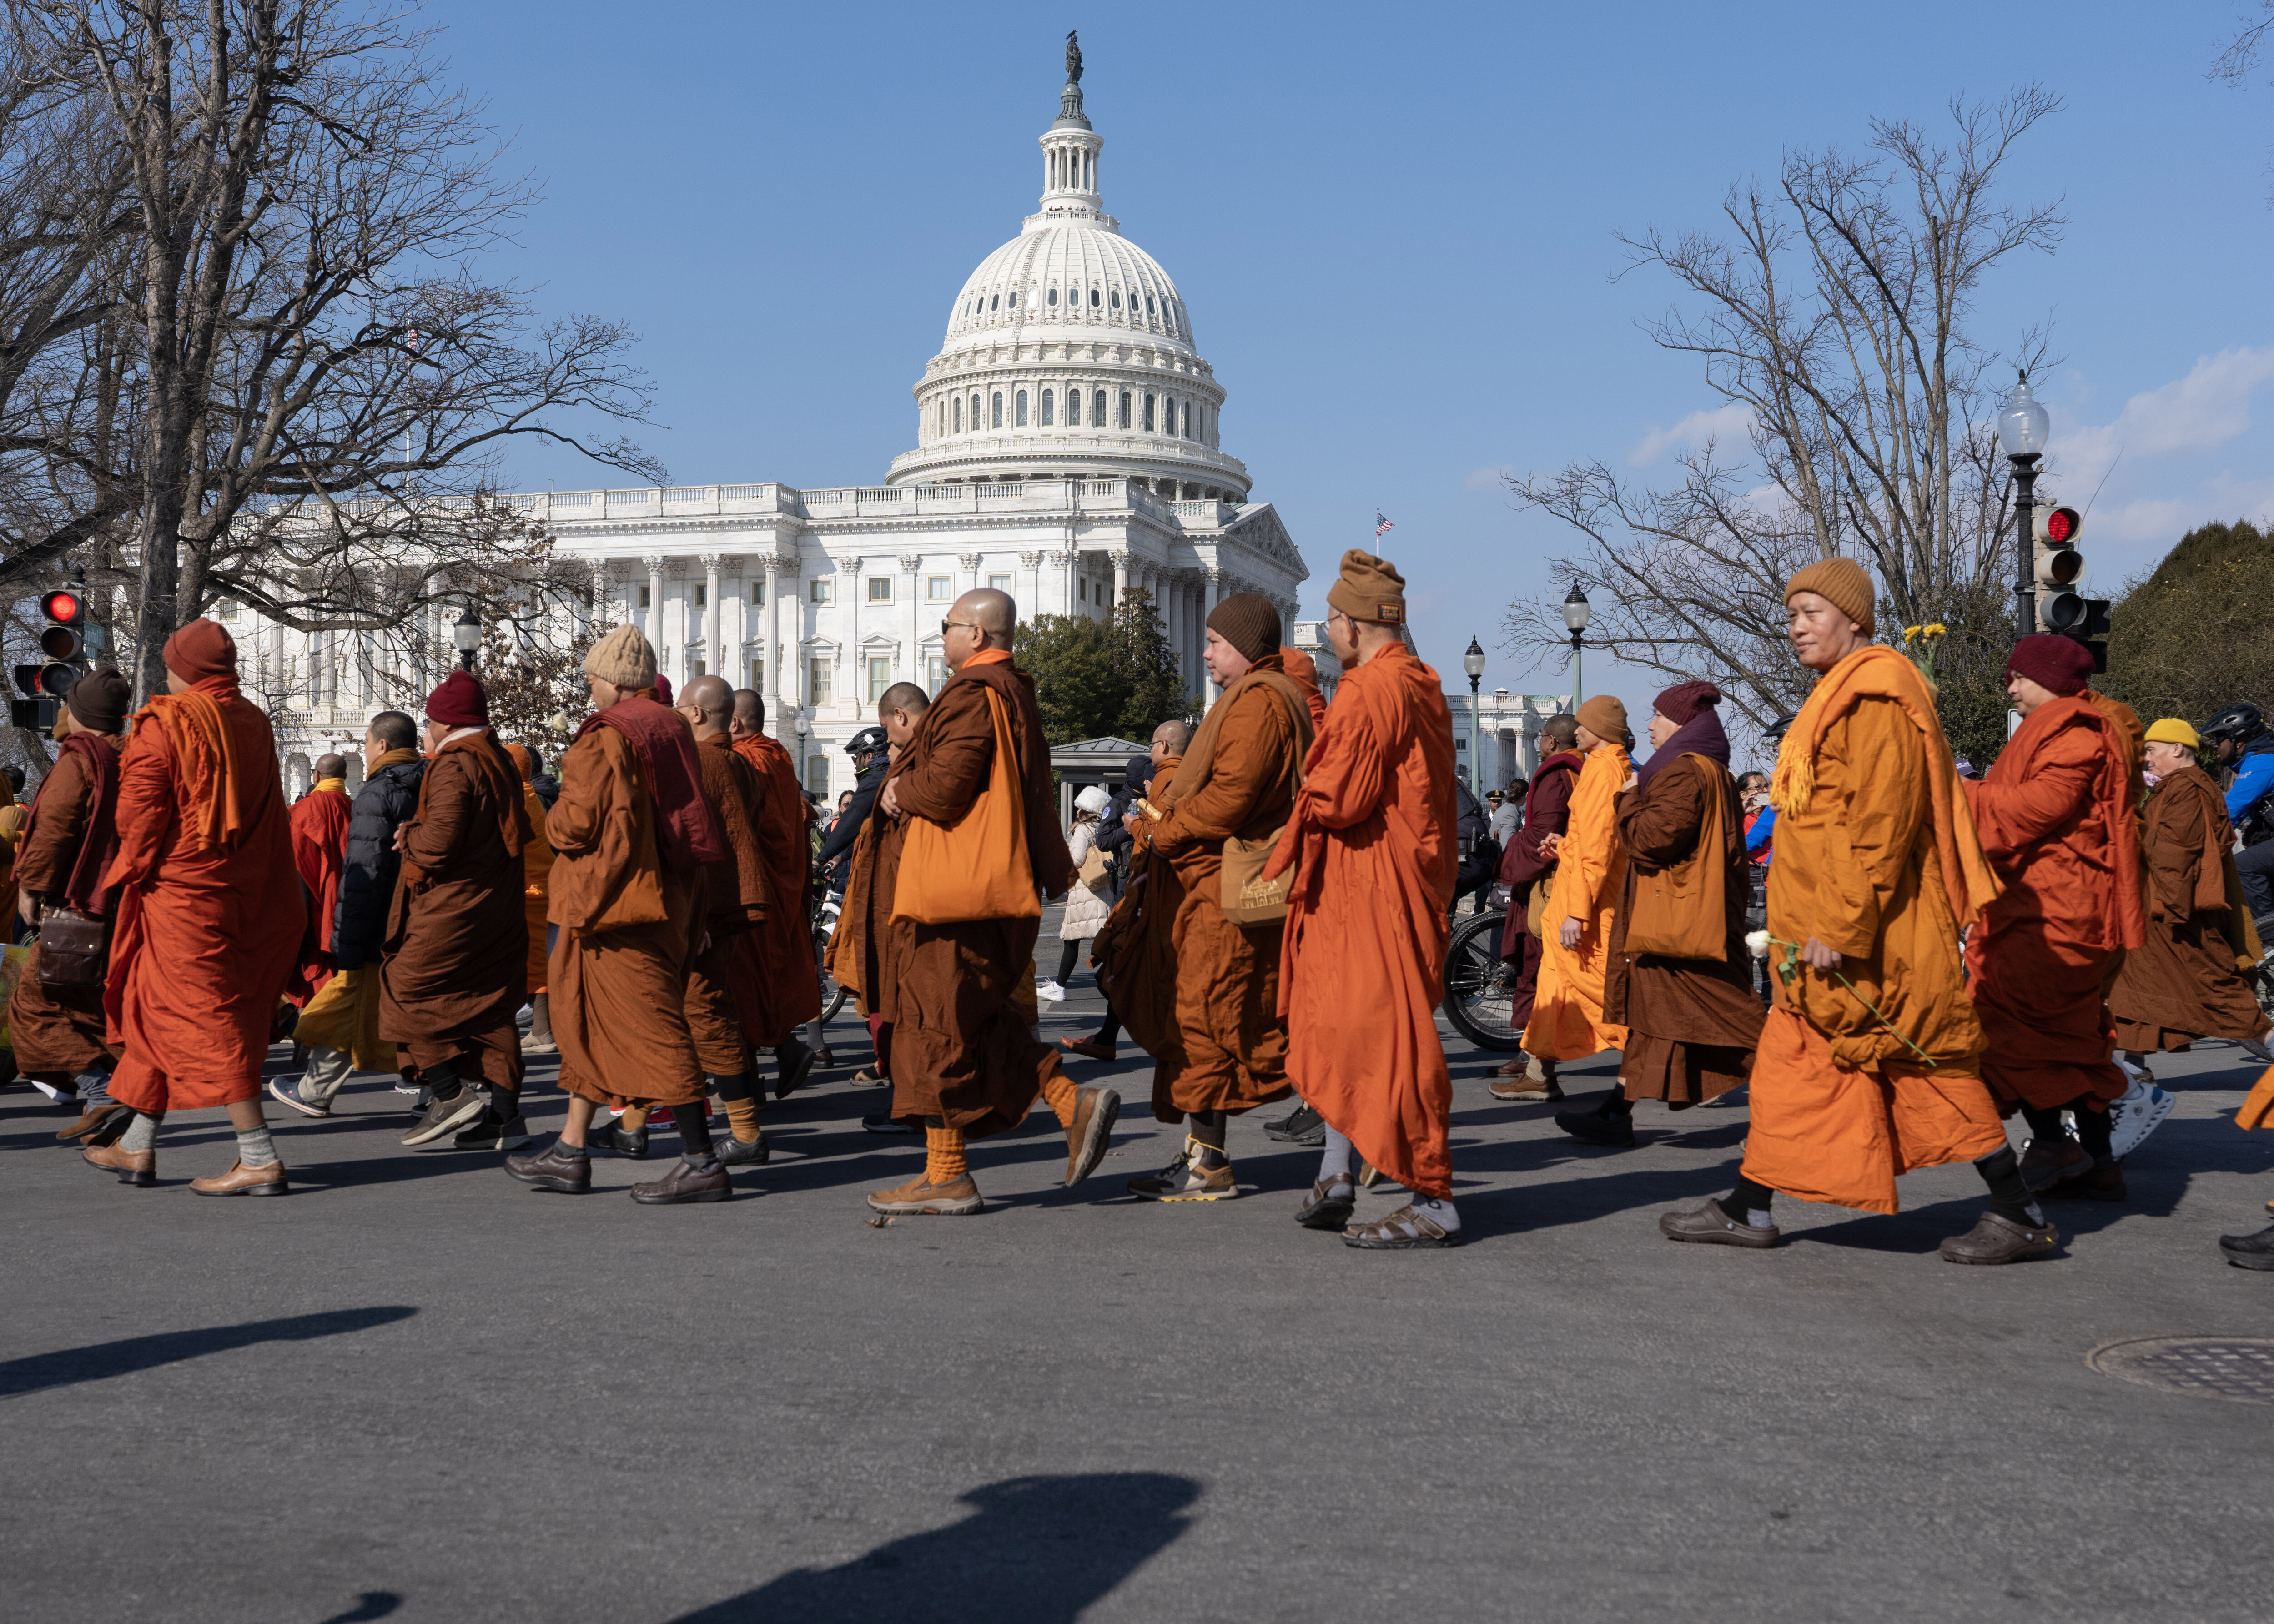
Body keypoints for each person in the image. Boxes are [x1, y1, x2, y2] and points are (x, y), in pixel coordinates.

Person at [1659, 558, 2046, 1262]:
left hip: (1868, 934)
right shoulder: (1842, 691)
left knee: (1925, 1065)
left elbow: (1879, 824)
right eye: (1791, 615)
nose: (1796, 627)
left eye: (1811, 612)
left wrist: (1838, 926)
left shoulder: (1874, 696)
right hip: (1825, 929)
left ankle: (2017, 1209)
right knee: (1797, 1070)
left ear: (1855, 619)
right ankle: (1750, 1204)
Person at [861, 588, 1121, 1217]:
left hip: (953, 899)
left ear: (976, 634)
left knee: (935, 1025)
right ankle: (1037, 1119)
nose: (942, 634)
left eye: (947, 625)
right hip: (985, 891)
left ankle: (954, 1170)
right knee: (970, 1023)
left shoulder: (976, 694)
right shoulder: (1010, 694)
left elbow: (948, 784)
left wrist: (899, 789)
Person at [1265, 549, 1459, 1247]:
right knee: (1351, 1029)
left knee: (1385, 1036)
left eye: (1329, 622)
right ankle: (1337, 1168)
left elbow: (1343, 795)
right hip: (1382, 878)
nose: (1327, 633)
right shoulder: (1420, 681)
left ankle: (1433, 1196)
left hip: (1368, 882)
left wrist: (1301, 797)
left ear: (1350, 624)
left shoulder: (1370, 688)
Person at [503, 625, 733, 1205]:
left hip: (615, 907)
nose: (588, 689)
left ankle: (701, 1161)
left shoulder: (606, 736)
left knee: (656, 1028)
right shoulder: (671, 726)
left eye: (590, 679)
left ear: (609, 679)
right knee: (587, 1019)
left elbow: (578, 824)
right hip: (670, 897)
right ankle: (570, 1149)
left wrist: (549, 821)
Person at [1097, 593, 1311, 1202]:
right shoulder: (1260, 697)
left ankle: (1212, 1165)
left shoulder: (1260, 702)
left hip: (1220, 892)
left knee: (1207, 1018)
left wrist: (1166, 829)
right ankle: (1201, 1155)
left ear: (1246, 646)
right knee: (1205, 1018)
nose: (1207, 652)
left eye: (1216, 642)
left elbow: (1230, 798)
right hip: (1212, 887)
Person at [84, 620, 307, 1194]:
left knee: (208, 1014)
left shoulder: (165, 725)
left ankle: (257, 1155)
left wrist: (122, 874)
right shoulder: (254, 721)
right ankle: (137, 1145)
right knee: (162, 1009)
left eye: (170, 663)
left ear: (185, 667)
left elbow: (137, 819)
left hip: (180, 895)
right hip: (241, 887)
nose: (167, 673)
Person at [1960, 635, 2145, 1204]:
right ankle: (2098, 1163)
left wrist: (1952, 792)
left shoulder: (2073, 729)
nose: (2009, 687)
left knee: (2009, 1030)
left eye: (2016, 676)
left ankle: (2051, 1144)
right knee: (2069, 1038)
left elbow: (2034, 810)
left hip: (2055, 913)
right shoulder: (2061, 726)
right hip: (2046, 904)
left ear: (2046, 679)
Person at [1559, 682, 1763, 1146]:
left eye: (1655, 716)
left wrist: (1628, 798)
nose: (1648, 725)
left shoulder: (1682, 773)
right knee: (1652, 1019)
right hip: (1679, 922)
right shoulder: (1701, 768)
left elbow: (1649, 841)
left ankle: (1808, 1094)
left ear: (1680, 724)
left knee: (1739, 1021)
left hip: (1682, 928)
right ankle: (1616, 1112)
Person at [385, 671, 534, 1151]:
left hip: (455, 907)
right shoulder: (500, 759)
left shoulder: (455, 764)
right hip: (496, 906)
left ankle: (449, 1095)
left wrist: (408, 833)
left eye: (430, 722)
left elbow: (437, 845)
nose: (427, 732)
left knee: (404, 988)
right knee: (490, 1008)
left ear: (443, 723)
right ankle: (505, 1120)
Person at [2106, 718, 2272, 1118]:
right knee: (2131, 995)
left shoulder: (2190, 789)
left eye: (2153, 750)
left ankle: (2269, 1038)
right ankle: (2132, 1071)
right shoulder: (2175, 788)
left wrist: (2166, 904)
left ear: (2178, 749)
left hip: (2176, 915)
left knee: (2223, 995)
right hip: (2156, 913)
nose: (2148, 758)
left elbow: (2176, 853)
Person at [272, 714, 422, 1121]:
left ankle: (443, 1088)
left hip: (354, 917)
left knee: (343, 998)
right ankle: (316, 1089)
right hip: (409, 919)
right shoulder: (402, 791)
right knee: (366, 1002)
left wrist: (322, 929)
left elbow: (330, 870)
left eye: (371, 742)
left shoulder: (317, 808)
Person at [14, 669, 131, 1141]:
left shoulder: (81, 761)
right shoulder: (136, 757)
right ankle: (116, 1106)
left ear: (79, 713)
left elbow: (55, 830)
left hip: (78, 908)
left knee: (33, 1004)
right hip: (123, 906)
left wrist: (30, 887)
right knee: (89, 1006)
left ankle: (102, 1090)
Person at [675, 674, 778, 1166]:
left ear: (696, 713)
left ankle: (745, 1131)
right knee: (705, 1009)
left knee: (706, 1013)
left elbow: (695, 842)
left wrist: (694, 915)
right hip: (726, 906)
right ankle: (630, 1121)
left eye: (680, 706)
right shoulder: (741, 764)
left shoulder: (699, 762)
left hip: (706, 910)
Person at [1520, 696, 1633, 1076]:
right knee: (1557, 987)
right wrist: (1564, 845)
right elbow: (1588, 839)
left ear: (1599, 730)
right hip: (1575, 896)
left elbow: (1599, 850)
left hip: (1585, 906)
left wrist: (1577, 913)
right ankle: (1539, 1073)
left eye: (1584, 726)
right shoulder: (1600, 768)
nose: (1577, 731)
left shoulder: (1602, 773)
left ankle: (1665, 1053)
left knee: (1599, 991)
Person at [1063, 721, 1188, 1063]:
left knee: (1120, 966)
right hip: (1146, 886)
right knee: (1121, 966)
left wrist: (1134, 824)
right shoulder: (1180, 778)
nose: (1150, 750)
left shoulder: (1169, 778)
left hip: (1151, 889)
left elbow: (1161, 835)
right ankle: (1108, 1038)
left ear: (1163, 746)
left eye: (1151, 744)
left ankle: (1168, 1036)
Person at [835, 684, 930, 1121]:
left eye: (890, 742)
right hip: (905, 901)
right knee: (911, 1004)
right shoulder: (909, 768)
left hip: (920, 904)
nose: (885, 755)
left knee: (921, 1007)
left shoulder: (928, 763)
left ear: (902, 717)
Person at [727, 689, 822, 1093]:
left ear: (734, 724)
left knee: (745, 983)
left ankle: (774, 1060)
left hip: (753, 884)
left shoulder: (747, 760)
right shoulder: (779, 756)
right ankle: (755, 1077)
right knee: (757, 980)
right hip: (781, 880)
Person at [1490, 714, 1581, 1098]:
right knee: (1544, 972)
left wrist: (1510, 860)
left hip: (1549, 883)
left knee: (1539, 968)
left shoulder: (1556, 774)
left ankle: (1536, 1062)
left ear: (1551, 742)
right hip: (1564, 877)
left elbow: (1545, 832)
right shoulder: (1580, 771)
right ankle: (1535, 1060)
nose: (1539, 743)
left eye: (1542, 737)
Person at [504, 743, 558, 1056]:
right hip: (538, 888)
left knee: (534, 965)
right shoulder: (527, 794)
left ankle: (543, 1031)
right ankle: (541, 1029)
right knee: (534, 962)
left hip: (531, 891)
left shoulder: (518, 797)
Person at [287, 753, 352, 1006]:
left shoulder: (299, 813)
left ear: (316, 775)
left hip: (312, 919)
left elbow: (296, 869)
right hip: (347, 914)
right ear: (345, 777)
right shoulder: (358, 809)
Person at [1041, 784, 1114, 1001]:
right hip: (1101, 889)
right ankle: (1117, 981)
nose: (1077, 811)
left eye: (1080, 807)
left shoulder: (1082, 830)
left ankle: (1059, 987)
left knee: (1072, 939)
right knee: (1100, 938)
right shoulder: (1102, 828)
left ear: (1086, 809)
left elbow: (1076, 860)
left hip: (1084, 893)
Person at [2203, 703, 2274, 917]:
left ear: (2239, 742)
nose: (2215, 745)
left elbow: (2228, 812)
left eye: (2220, 739)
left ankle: (2270, 943)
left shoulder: (2263, 762)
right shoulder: (2260, 760)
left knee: (2243, 866)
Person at [816, 724, 888, 898]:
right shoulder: (886, 774)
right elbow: (868, 828)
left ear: (869, 756)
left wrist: (820, 859)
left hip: (882, 865)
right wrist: (841, 857)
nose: (855, 762)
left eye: (857, 757)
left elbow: (852, 819)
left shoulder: (875, 778)